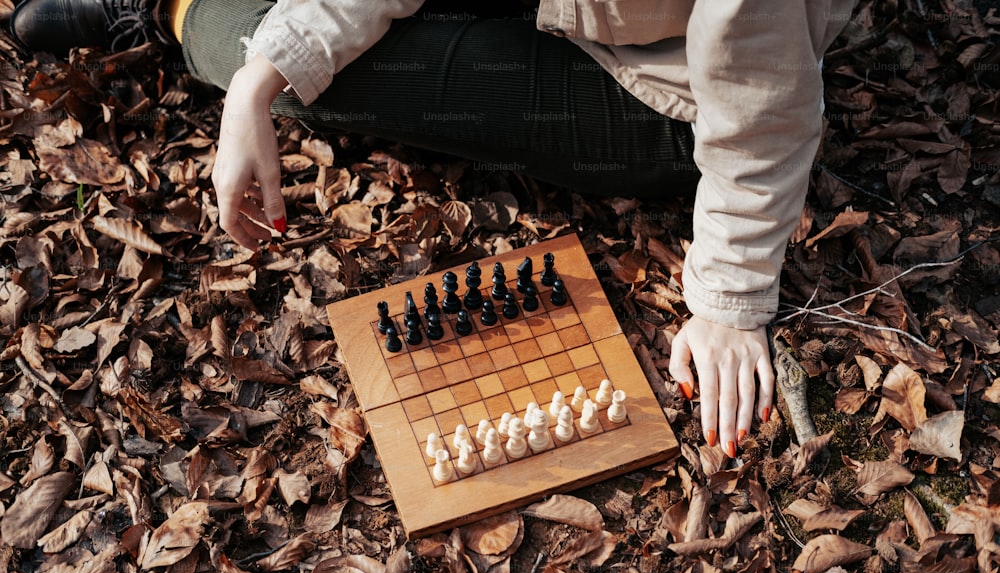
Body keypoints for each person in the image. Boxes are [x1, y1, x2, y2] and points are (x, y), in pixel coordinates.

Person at [9, 0, 857, 458]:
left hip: (675, 92)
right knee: (278, 52)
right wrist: (256, 84)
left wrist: (731, 301)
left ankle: (172, 13)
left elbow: (763, 113)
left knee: (306, 62)